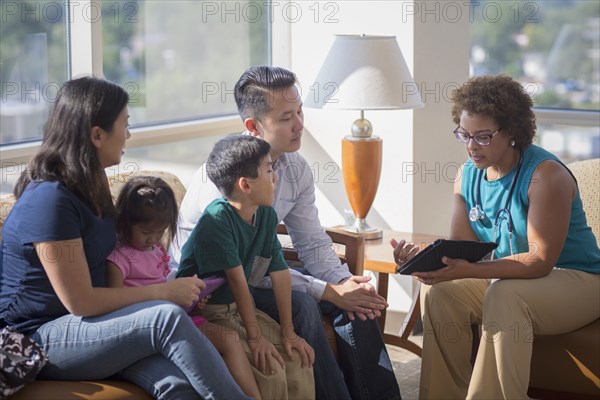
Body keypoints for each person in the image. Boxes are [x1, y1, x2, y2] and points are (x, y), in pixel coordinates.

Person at [0, 76, 252, 400]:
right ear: (97, 134)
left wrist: (177, 286)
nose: (129, 135)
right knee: (166, 318)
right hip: (38, 337)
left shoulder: (91, 185)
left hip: (91, 328)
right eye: (125, 124)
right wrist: (163, 293)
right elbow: (81, 301)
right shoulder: (51, 199)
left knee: (179, 385)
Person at [170, 66, 401, 400]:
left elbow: (312, 243)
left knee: (359, 303)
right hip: (213, 292)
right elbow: (243, 270)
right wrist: (327, 291)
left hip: (256, 272)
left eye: (300, 112)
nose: (299, 125)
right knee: (305, 304)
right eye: (286, 117)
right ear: (253, 126)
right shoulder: (223, 182)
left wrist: (343, 283)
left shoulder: (295, 168)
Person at [391, 74, 600, 399]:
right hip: (511, 278)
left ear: (513, 131)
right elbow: (463, 250)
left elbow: (539, 261)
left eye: (484, 136)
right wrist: (424, 258)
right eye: (465, 134)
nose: (472, 146)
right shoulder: (468, 175)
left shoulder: (546, 176)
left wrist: (470, 270)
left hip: (578, 280)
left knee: (504, 295)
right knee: (442, 293)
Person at [176, 135, 315, 400]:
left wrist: (288, 331)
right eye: (269, 171)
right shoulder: (217, 219)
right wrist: (255, 338)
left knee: (296, 357)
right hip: (209, 312)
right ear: (245, 185)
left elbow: (280, 272)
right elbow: (238, 281)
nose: (275, 178)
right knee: (270, 368)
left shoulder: (266, 214)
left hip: (240, 309)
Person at [105, 175, 262, 399]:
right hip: (149, 328)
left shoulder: (157, 249)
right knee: (206, 353)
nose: (153, 239)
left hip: (180, 317)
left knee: (230, 340)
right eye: (146, 233)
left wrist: (193, 299)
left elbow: (163, 284)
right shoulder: (118, 259)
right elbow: (115, 304)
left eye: (160, 232)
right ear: (125, 223)